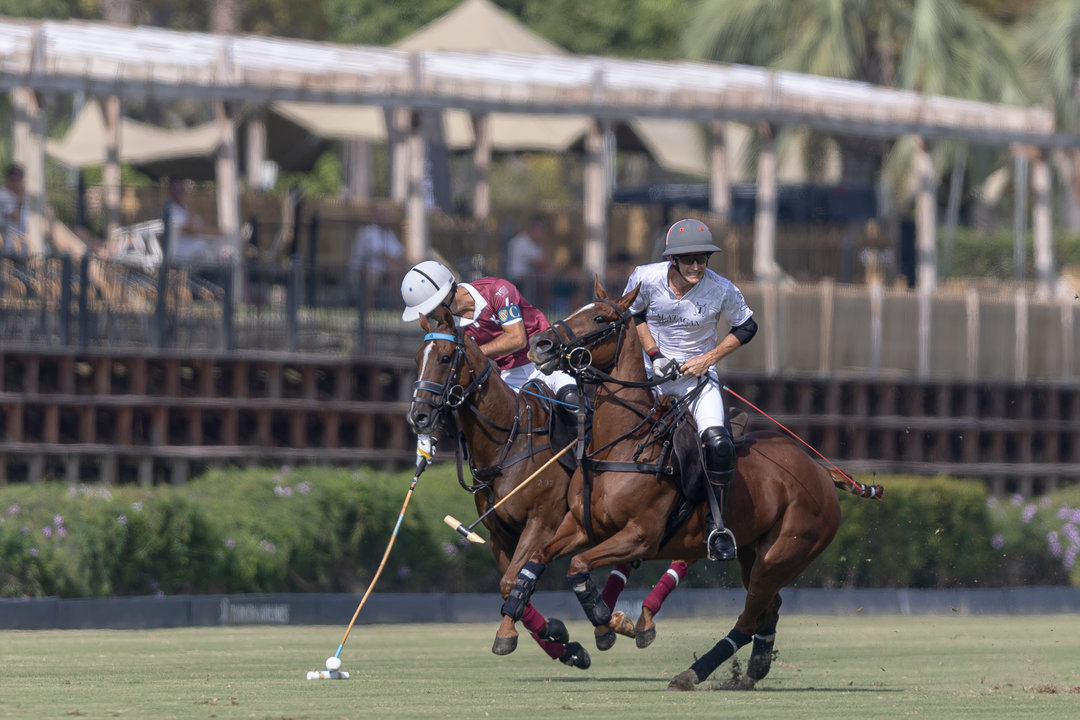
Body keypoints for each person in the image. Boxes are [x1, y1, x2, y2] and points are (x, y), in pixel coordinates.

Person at [623, 219, 758, 561]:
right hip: (650, 376)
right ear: (673, 261)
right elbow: (634, 316)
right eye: (688, 260)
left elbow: (746, 326)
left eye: (702, 259)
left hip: (697, 380)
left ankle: (717, 525)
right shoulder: (645, 277)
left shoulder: (721, 289)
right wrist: (654, 356)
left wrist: (707, 359)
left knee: (718, 441)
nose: (696, 266)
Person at [401, 260, 581, 428]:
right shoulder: (448, 327)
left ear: (444, 296)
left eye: (430, 311)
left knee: (572, 401)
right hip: (511, 372)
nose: (430, 318)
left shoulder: (498, 291)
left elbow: (516, 339)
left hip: (546, 360)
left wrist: (470, 352)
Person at [164, 178, 222, 264]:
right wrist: (189, 204)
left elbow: (202, 227)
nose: (180, 192)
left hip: (196, 254)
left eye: (181, 188)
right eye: (176, 189)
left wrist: (221, 233)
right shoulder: (172, 210)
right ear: (170, 191)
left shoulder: (184, 208)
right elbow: (192, 230)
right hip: (182, 255)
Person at [505, 214, 552, 293]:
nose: (543, 233)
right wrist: (544, 242)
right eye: (541, 230)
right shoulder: (521, 242)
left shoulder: (535, 244)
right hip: (517, 283)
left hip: (528, 283)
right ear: (533, 228)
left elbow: (546, 265)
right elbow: (542, 264)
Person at [0, 163, 27, 253]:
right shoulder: (3, 195)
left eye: (19, 179)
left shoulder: (20, 195)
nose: (17, 183)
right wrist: (20, 198)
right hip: (7, 243)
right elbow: (15, 217)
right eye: (14, 179)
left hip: (20, 241)